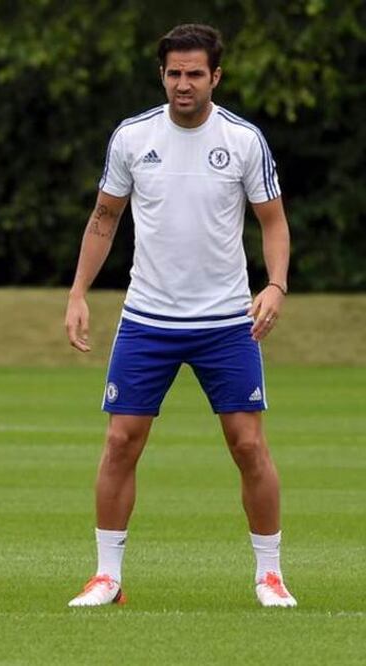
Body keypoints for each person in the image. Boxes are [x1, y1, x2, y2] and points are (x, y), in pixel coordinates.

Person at [63, 24, 295, 608]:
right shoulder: (132, 137)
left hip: (224, 323)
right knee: (121, 441)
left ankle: (270, 575)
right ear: (162, 75)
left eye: (195, 73)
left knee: (247, 445)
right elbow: (104, 218)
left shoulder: (243, 140)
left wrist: (275, 285)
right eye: (174, 73)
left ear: (215, 76)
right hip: (148, 319)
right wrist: (77, 293)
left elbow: (272, 220)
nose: (183, 84)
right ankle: (107, 577)